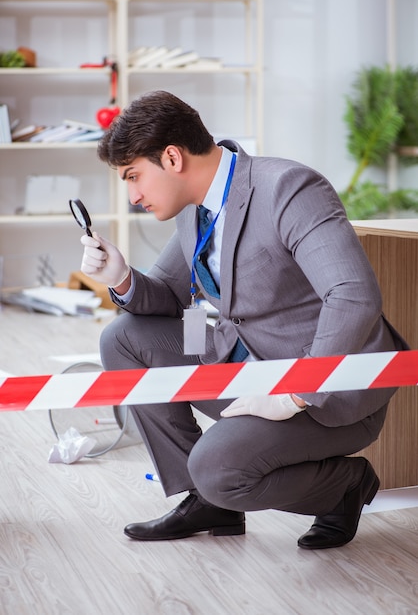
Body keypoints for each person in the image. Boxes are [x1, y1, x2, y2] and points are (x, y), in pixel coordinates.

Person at [79, 90, 408, 549]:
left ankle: (344, 486)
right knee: (124, 338)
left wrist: (297, 392)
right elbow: (169, 297)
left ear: (172, 157)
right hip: (253, 369)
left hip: (327, 391)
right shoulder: (195, 208)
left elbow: (353, 296)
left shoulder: (288, 188)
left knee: (217, 467)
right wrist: (120, 276)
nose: (133, 196)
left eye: (133, 176)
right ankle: (207, 501)